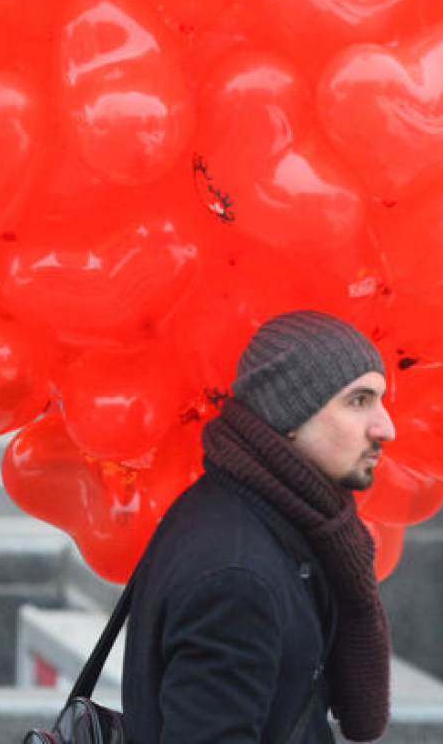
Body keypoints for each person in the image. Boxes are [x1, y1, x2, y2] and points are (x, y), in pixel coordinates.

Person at [122, 309, 396, 743]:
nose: (386, 427)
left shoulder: (268, 517)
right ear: (287, 415)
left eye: (382, 401)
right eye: (358, 401)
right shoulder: (238, 577)